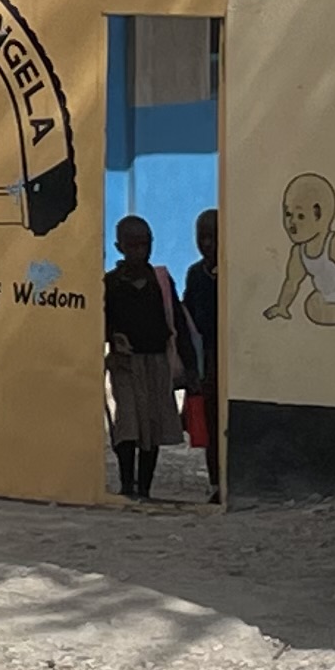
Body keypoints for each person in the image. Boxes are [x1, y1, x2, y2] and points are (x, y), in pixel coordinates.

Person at [102, 215, 184, 502]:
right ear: (119, 246)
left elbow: (177, 322)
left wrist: (189, 368)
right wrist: (113, 336)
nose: (139, 250)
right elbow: (101, 321)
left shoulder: (159, 280)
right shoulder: (110, 284)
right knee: (128, 424)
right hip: (125, 362)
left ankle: (145, 488)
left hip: (157, 360)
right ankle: (127, 485)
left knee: (152, 424)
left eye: (144, 244)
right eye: (132, 244)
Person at [180, 206, 224, 494]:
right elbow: (189, 320)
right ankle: (215, 482)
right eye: (201, 237)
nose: (206, 243)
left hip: (231, 356)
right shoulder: (196, 275)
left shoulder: (233, 271)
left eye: (213, 237)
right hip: (206, 357)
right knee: (209, 424)